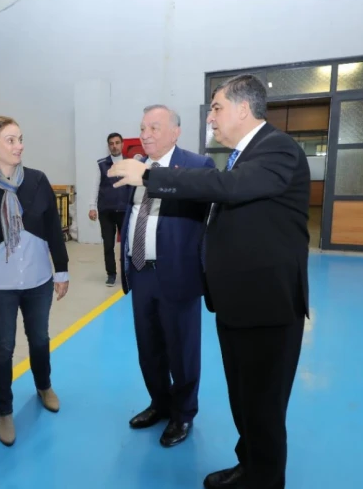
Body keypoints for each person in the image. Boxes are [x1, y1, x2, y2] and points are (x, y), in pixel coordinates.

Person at [109, 75, 310, 489]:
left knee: (263, 405)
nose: (212, 117)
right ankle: (249, 466)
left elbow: (226, 187)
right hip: (238, 302)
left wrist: (149, 176)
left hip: (267, 305)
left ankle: (264, 479)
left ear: (243, 108)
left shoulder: (277, 148)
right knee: (244, 399)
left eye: (216, 107)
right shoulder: (244, 154)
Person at [0, 115, 69, 447]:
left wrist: (62, 270)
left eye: (20, 139)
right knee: (3, 347)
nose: (19, 146)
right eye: (10, 140)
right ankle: (4, 410)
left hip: (38, 281)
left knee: (40, 339)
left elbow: (53, 228)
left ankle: (44, 385)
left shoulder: (37, 181)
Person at [119, 105, 214, 448]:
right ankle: (159, 403)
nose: (145, 134)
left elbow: (204, 205)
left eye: (154, 128)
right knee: (149, 348)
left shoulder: (198, 166)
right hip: (141, 271)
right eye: (143, 128)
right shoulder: (136, 166)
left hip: (178, 275)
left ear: (176, 132)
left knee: (182, 350)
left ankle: (183, 413)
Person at [88, 132, 129, 286]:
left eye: (117, 143)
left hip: (125, 211)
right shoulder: (101, 164)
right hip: (106, 212)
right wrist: (92, 207)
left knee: (127, 245)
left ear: (122, 144)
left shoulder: (129, 163)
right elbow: (95, 185)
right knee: (108, 245)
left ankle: (126, 273)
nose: (114, 146)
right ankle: (111, 274)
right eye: (111, 143)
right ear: (108, 146)